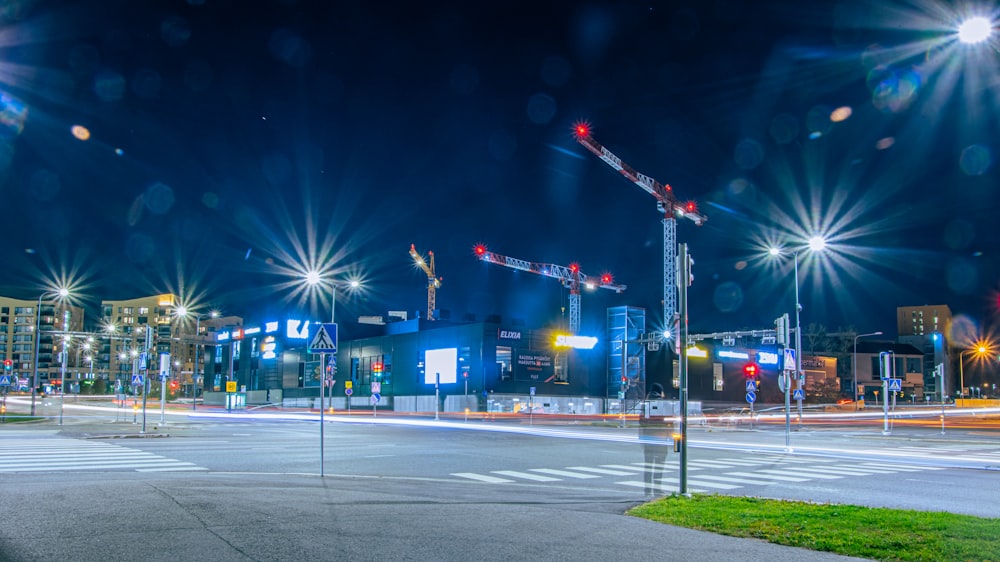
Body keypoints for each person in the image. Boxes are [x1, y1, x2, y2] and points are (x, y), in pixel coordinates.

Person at [639, 383, 671, 497]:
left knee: (648, 465)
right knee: (659, 465)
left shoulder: (645, 404)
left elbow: (641, 422)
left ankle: (647, 490)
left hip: (648, 439)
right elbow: (668, 421)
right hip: (661, 439)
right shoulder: (663, 403)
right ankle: (657, 489)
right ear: (660, 391)